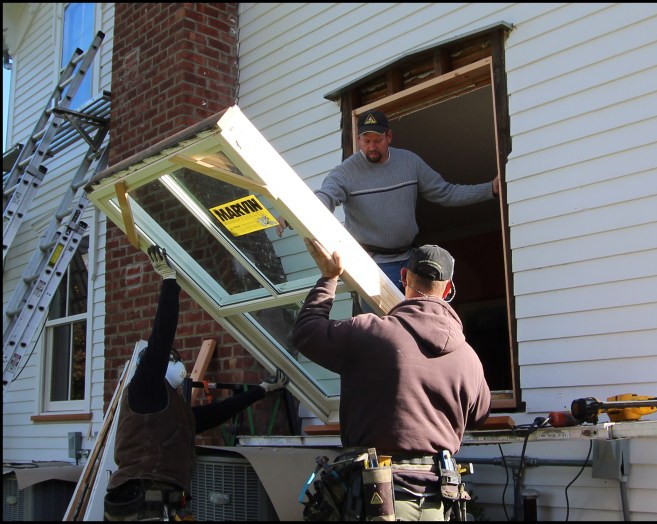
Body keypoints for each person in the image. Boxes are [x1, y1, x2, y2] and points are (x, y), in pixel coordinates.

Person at [292, 239, 491, 521]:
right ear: (447, 289)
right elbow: (480, 415)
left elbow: (306, 333)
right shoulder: (469, 358)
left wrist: (329, 277)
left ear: (404, 278)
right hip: (435, 500)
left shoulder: (371, 333)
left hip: (374, 498)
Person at [103, 244, 289, 521]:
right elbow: (161, 337)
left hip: (161, 501)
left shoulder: (169, 407)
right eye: (173, 358)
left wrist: (260, 390)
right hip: (140, 501)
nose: (181, 365)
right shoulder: (144, 388)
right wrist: (169, 282)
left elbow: (212, 415)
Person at [276, 108, 500, 294]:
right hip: (374, 266)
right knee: (386, 328)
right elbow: (325, 196)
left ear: (389, 137)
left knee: (420, 321)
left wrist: (490, 189)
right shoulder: (345, 173)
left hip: (411, 260)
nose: (371, 147)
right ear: (358, 140)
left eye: (377, 140)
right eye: (366, 141)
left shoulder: (410, 163)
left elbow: (445, 192)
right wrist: (296, 211)